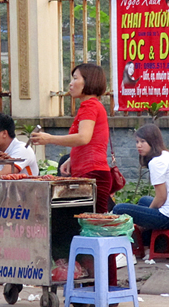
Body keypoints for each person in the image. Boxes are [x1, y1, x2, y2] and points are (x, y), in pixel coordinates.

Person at [30, 63, 116, 285]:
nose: (71, 82)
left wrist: (49, 139)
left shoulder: (89, 106)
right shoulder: (91, 106)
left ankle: (98, 282)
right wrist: (71, 158)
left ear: (88, 82)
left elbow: (83, 137)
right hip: (88, 174)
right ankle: (83, 277)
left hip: (94, 176)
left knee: (91, 230)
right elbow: (90, 140)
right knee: (73, 224)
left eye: (75, 78)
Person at [112, 124, 169, 253]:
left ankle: (122, 252)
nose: (138, 145)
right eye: (137, 142)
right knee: (144, 200)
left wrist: (146, 215)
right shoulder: (167, 156)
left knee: (120, 209)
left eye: (143, 141)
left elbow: (161, 197)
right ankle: (148, 249)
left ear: (152, 142)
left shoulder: (156, 162)